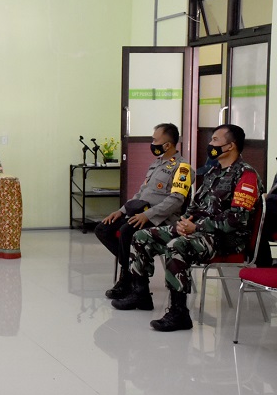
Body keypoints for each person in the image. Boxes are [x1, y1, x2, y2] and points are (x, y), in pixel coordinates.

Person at [112, 124, 263, 332]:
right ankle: (140, 294)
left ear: (230, 146)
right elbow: (194, 205)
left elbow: (237, 219)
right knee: (141, 237)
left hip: (227, 239)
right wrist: (183, 223)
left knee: (177, 245)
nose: (210, 144)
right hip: (198, 231)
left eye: (215, 140)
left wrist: (196, 226)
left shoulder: (246, 175)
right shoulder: (213, 172)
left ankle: (179, 312)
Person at [95, 123, 192, 299]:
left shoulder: (182, 168)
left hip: (161, 219)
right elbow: (141, 192)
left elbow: (176, 200)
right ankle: (133, 268)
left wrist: (148, 215)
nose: (152, 144)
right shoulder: (156, 164)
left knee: (126, 231)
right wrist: (122, 211)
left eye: (155, 140)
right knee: (103, 228)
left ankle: (127, 278)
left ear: (167, 145)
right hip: (140, 213)